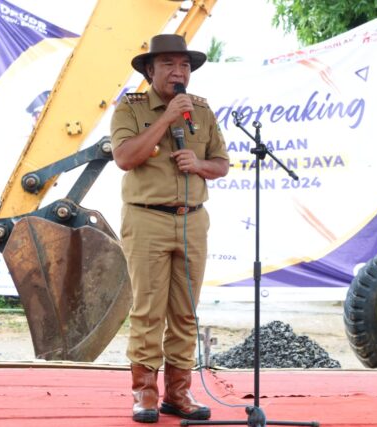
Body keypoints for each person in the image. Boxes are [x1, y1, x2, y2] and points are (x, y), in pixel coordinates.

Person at [110, 34, 229, 423]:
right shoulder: (131, 109)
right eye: (169, 65)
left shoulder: (203, 111)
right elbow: (125, 158)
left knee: (185, 312)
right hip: (146, 218)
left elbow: (221, 165)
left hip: (192, 220)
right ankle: (145, 393)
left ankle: (178, 393)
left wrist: (199, 164)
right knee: (147, 310)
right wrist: (165, 118)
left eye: (185, 66)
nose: (179, 73)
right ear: (149, 70)